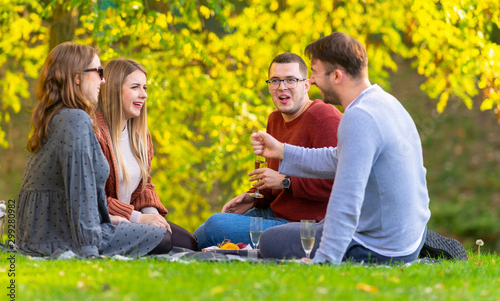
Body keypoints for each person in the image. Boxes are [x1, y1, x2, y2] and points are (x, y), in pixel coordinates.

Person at [254, 32, 467, 263]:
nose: (312, 81)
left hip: (379, 248)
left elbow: (347, 199)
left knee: (269, 241)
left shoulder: (359, 117)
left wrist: (325, 260)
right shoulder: (385, 102)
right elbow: (337, 158)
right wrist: (282, 151)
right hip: (408, 236)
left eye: (314, 72)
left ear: (336, 76)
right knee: (307, 230)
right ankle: (416, 247)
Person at [16, 42, 173, 258]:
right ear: (78, 77)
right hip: (62, 238)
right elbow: (79, 190)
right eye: (98, 72)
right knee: (163, 239)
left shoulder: (59, 117)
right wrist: (90, 251)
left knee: (172, 237)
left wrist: (107, 218)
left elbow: (76, 193)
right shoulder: (76, 120)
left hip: (42, 235)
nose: (103, 79)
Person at [193, 52, 343, 249]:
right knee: (213, 224)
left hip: (306, 225)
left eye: (290, 80)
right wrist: (253, 198)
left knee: (216, 227)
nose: (282, 87)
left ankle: (173, 248)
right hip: (275, 214)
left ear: (306, 85)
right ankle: (174, 247)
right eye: (275, 81)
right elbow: (274, 187)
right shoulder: (275, 119)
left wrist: (285, 181)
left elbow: (338, 184)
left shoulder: (325, 117)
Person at [96, 58, 198, 251]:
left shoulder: (140, 135)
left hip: (133, 217)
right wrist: (139, 218)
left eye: (145, 88)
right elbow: (94, 197)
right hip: (106, 221)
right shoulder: (96, 133)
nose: (143, 95)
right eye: (135, 87)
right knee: (164, 241)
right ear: (114, 90)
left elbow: (145, 184)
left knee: (189, 243)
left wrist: (153, 217)